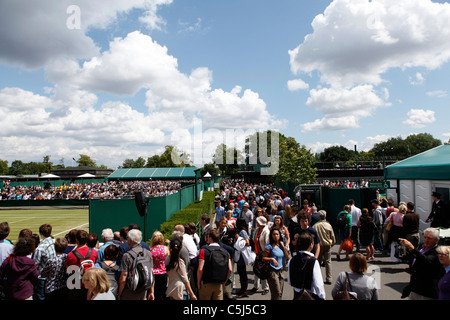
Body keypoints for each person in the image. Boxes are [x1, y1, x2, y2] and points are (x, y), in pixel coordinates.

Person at [399, 228, 442, 300]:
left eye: (429, 238)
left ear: (437, 240)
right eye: (425, 237)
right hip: (416, 288)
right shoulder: (423, 248)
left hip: (427, 291)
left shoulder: (437, 252)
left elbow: (426, 261)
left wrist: (412, 248)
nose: (426, 240)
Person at [117, 229, 154, 300]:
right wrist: (151, 292)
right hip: (143, 290)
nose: (127, 239)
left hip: (130, 291)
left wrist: (120, 294)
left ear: (131, 240)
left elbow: (123, 277)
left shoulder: (127, 256)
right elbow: (151, 273)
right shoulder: (148, 254)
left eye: (128, 237)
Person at [287, 232, 325, 300]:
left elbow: (289, 281)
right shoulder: (313, 261)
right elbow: (318, 284)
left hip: (297, 295)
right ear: (311, 245)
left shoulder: (292, 260)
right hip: (309, 295)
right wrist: (322, 297)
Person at [197, 228, 232, 300]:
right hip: (219, 284)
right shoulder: (225, 252)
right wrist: (224, 281)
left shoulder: (204, 250)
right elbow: (230, 269)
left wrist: (198, 282)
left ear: (210, 238)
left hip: (206, 283)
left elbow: (200, 269)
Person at [66, 229, 99, 300]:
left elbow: (67, 270)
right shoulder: (94, 252)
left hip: (75, 286)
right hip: (89, 285)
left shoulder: (70, 255)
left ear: (77, 240)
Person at [263, 227, 290, 300]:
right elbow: (263, 258)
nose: (276, 236)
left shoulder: (281, 246)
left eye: (277, 234)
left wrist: (284, 247)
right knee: (276, 292)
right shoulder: (269, 246)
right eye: (274, 234)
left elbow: (288, 257)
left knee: (280, 293)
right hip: (272, 271)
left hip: (280, 271)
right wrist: (272, 259)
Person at [33, 223, 56, 300]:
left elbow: (35, 264)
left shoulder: (40, 248)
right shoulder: (55, 241)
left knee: (41, 297)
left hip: (42, 278)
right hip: (53, 274)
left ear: (41, 233)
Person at [312, 210, 336, 284]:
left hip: (318, 246)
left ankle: (317, 278)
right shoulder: (328, 225)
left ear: (319, 216)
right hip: (327, 245)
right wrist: (332, 243)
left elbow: (312, 237)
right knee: (328, 261)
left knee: (318, 262)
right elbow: (332, 237)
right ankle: (329, 278)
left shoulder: (315, 226)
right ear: (325, 216)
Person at [251, 215, 270, 295]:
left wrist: (265, 254)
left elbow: (267, 243)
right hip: (257, 253)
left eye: (258, 222)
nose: (256, 223)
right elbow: (254, 239)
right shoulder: (257, 230)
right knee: (256, 269)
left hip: (263, 253)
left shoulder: (266, 231)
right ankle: (256, 286)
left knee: (263, 270)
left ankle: (266, 288)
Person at [234, 218, 251, 298]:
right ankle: (242, 289)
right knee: (240, 271)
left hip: (242, 255)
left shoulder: (242, 232)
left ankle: (244, 291)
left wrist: (238, 238)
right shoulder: (241, 231)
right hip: (239, 254)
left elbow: (247, 242)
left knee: (242, 272)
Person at [150, 230, 169, 300]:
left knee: (154, 294)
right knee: (162, 294)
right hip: (163, 273)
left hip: (153, 274)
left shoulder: (150, 249)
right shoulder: (166, 249)